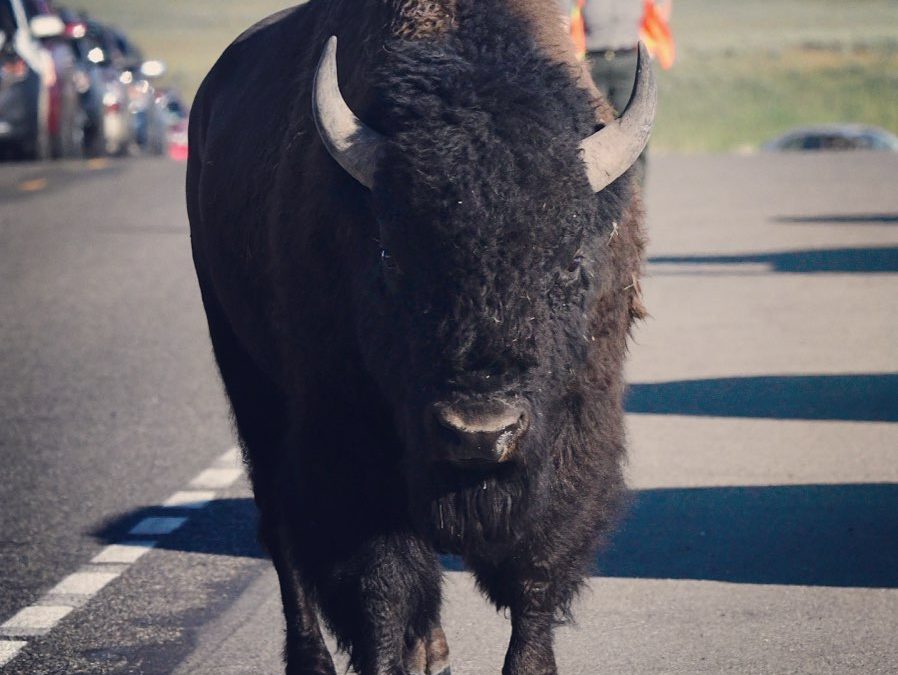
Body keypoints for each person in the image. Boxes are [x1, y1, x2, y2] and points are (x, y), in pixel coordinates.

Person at [562, 0, 674, 185]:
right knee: (593, 130)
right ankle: (599, 193)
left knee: (635, 130)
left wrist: (651, 44)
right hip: (592, 62)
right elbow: (566, 17)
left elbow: (661, 8)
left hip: (629, 60)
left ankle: (635, 195)